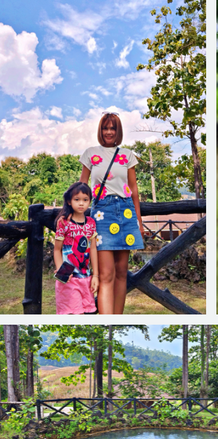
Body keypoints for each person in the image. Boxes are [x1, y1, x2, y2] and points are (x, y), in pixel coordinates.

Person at [79, 112, 145, 314]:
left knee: (121, 273)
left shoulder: (127, 155)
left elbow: (133, 189)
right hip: (102, 214)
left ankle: (117, 318)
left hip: (125, 212)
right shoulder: (90, 153)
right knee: (106, 274)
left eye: (113, 128)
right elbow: (81, 187)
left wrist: (139, 221)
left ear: (118, 131)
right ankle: (105, 319)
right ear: (100, 130)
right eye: (106, 128)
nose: (109, 132)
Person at [53, 182, 99, 315]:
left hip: (86, 278)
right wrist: (62, 273)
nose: (81, 203)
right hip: (69, 279)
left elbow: (93, 249)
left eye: (85, 200)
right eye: (76, 199)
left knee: (88, 313)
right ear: (69, 201)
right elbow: (57, 250)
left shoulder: (91, 223)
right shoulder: (64, 223)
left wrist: (95, 275)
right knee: (75, 315)